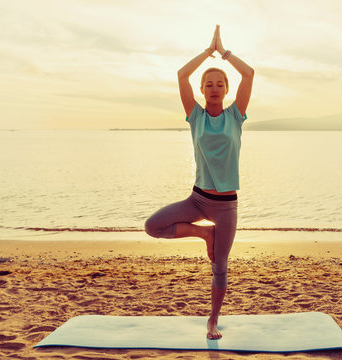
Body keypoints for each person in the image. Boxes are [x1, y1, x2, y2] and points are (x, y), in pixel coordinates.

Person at [144, 25, 254, 340]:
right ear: (203, 90)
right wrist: (208, 52)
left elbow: (250, 75)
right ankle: (204, 234)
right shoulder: (196, 117)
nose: (214, 87)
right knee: (153, 227)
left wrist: (225, 52)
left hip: (226, 206)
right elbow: (181, 75)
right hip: (197, 200)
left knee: (220, 267)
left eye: (220, 84)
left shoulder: (236, 116)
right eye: (209, 84)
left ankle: (212, 321)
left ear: (226, 89)